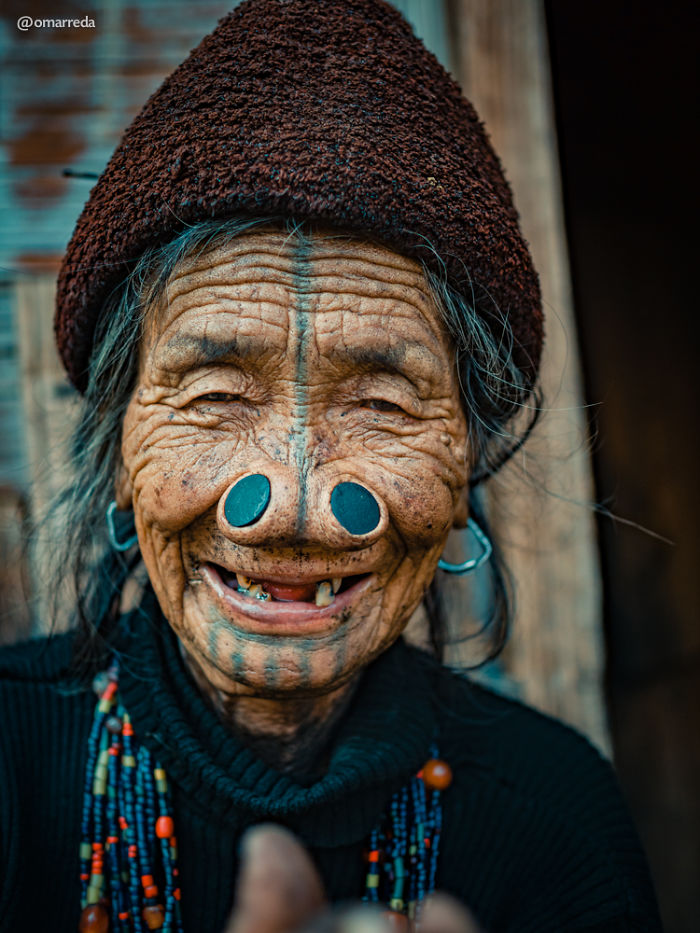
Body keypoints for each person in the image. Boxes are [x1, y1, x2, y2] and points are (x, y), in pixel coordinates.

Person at [0, 1, 662, 931]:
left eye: (383, 404)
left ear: (464, 466)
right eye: (216, 394)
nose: (292, 509)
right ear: (119, 452)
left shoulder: (558, 816)